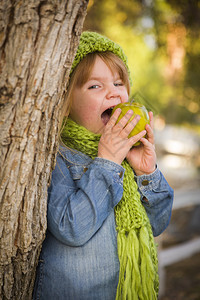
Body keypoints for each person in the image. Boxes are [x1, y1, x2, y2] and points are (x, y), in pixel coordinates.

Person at [33, 31, 173, 300]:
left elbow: (158, 223)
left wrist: (147, 172)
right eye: (95, 86)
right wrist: (107, 162)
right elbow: (71, 228)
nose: (113, 92)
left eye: (119, 83)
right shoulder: (59, 157)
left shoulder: (128, 157)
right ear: (65, 104)